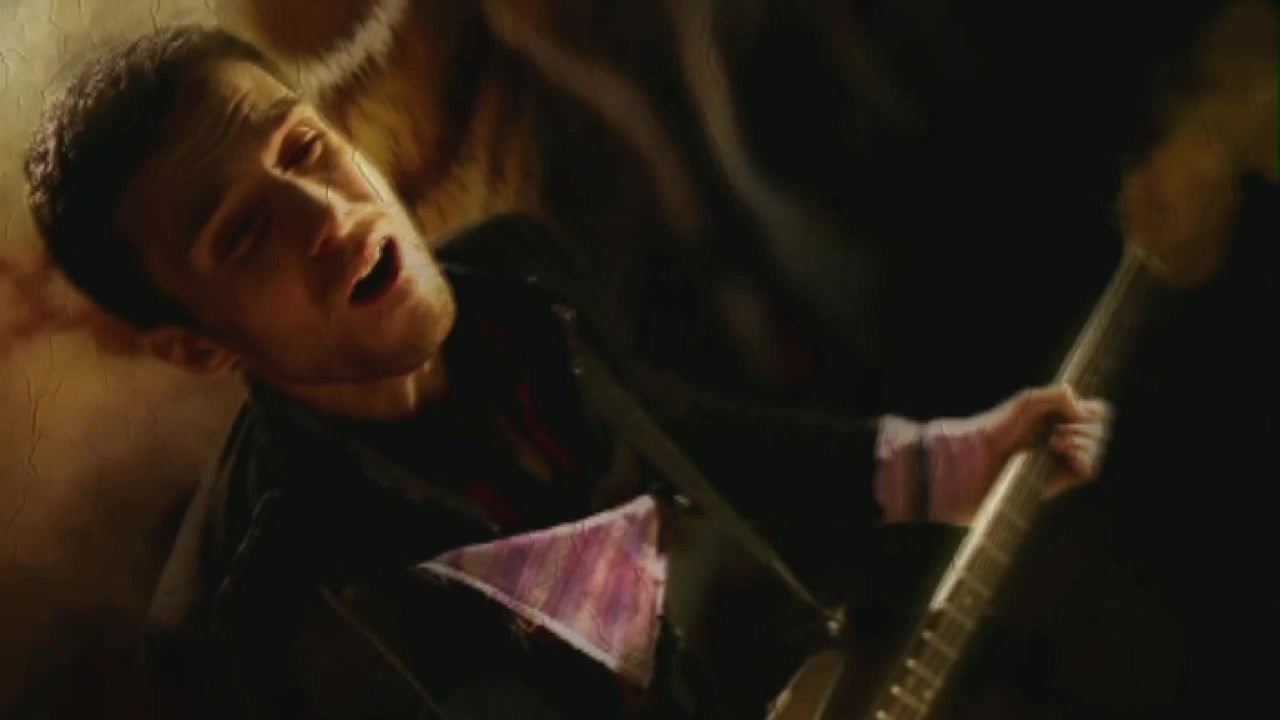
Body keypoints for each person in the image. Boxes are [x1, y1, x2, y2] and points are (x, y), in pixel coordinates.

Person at [23, 25, 1110, 720]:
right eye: (243, 234)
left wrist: (958, 463)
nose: (329, 217)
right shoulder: (242, 630)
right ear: (195, 345)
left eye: (304, 150)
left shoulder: (518, 279)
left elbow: (698, 442)